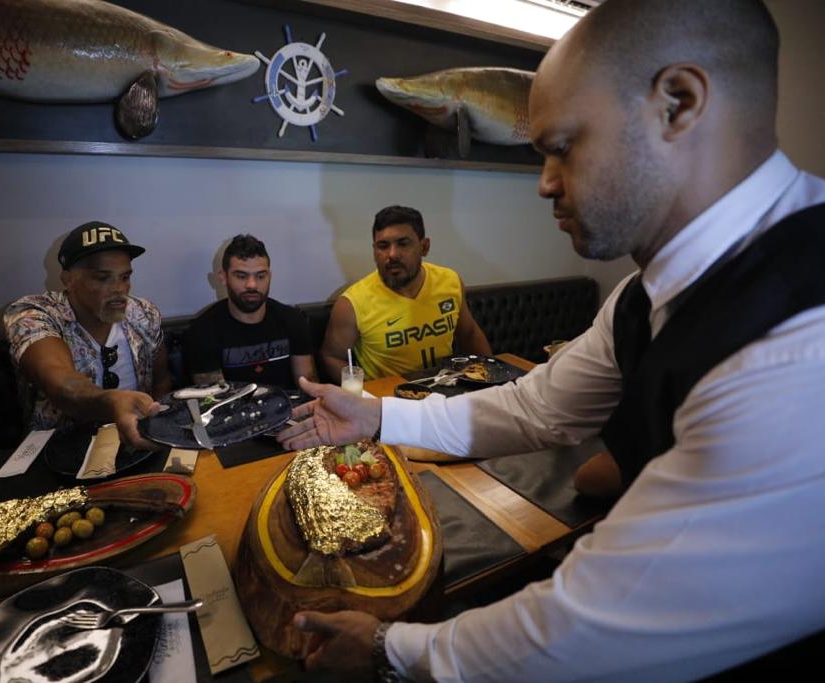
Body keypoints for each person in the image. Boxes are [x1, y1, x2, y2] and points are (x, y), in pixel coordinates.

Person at [278, 0, 825, 679]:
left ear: (678, 103)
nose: (543, 184)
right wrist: (380, 414)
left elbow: (592, 628)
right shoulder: (638, 297)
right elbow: (536, 406)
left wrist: (391, 647)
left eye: (562, 148)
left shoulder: (801, 349)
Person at [4, 221, 171, 449]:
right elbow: (59, 382)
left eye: (124, 277)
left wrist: (157, 427)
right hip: (57, 451)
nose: (119, 289)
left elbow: (161, 381)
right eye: (103, 278)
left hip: (137, 443)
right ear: (69, 280)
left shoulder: (144, 314)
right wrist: (112, 401)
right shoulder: (35, 314)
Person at [320, 205, 492, 383]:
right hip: (389, 402)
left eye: (403, 244)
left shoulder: (450, 281)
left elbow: (469, 333)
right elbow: (332, 357)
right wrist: (365, 393)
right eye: (383, 246)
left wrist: (491, 378)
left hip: (446, 391)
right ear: (374, 251)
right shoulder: (352, 303)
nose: (392, 255)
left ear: (424, 247)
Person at [184, 234, 316, 388]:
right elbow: (214, 401)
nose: (252, 285)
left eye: (260, 276)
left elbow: (308, 388)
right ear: (223, 277)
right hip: (231, 411)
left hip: (290, 408)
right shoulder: (203, 332)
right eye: (241, 276)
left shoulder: (293, 320)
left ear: (270, 276)